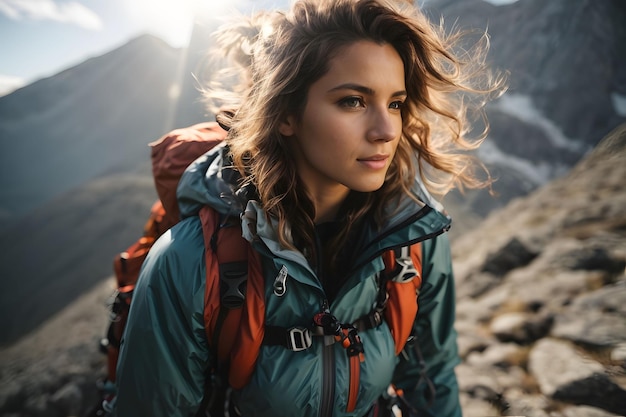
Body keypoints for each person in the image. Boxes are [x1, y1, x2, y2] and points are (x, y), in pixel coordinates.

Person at [113, 0, 506, 416]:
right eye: (353, 101)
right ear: (286, 114)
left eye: (395, 103)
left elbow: (433, 380)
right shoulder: (189, 259)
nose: (386, 130)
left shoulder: (412, 240)